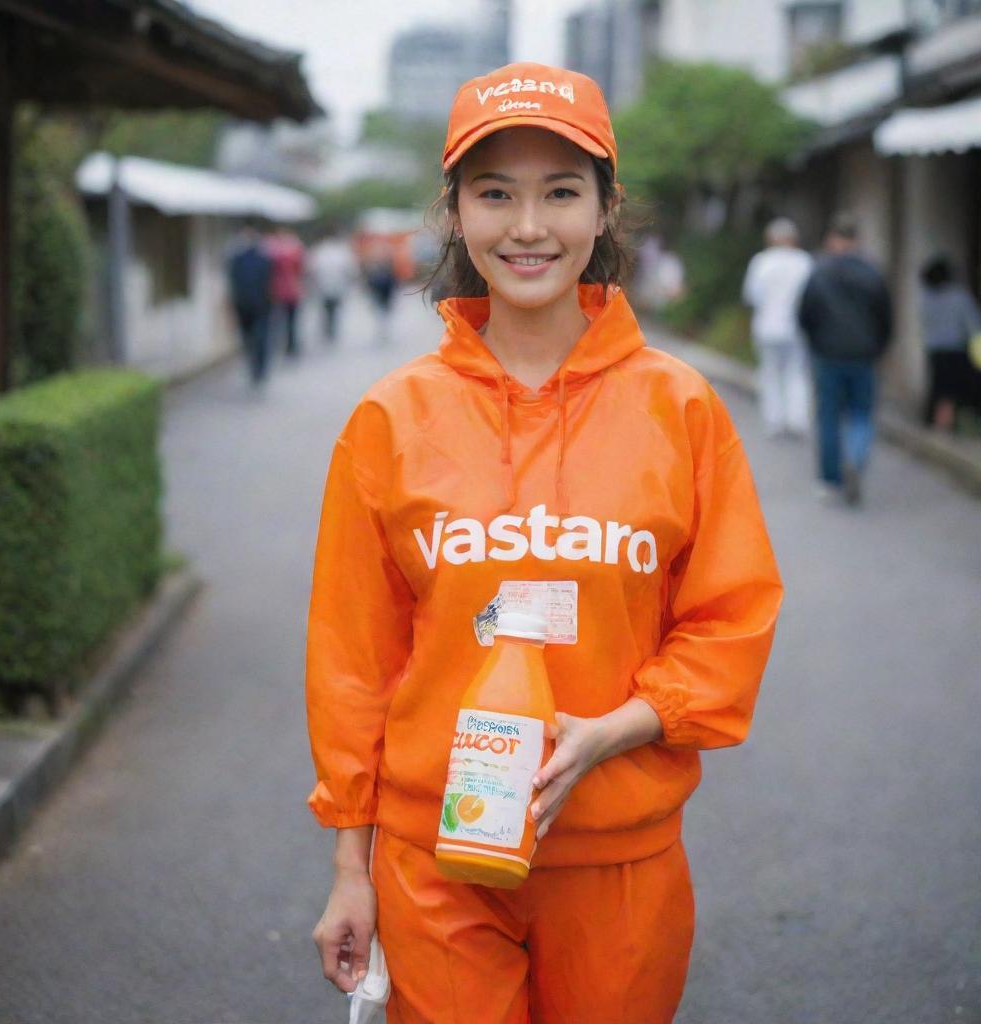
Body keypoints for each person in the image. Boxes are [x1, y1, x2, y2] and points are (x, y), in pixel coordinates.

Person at [306, 62, 784, 1024]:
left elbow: (728, 618)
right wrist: (350, 870)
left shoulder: (679, 406)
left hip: (619, 856)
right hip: (435, 860)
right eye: (496, 195)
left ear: (606, 210)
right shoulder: (390, 419)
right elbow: (353, 665)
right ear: (454, 213)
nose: (529, 228)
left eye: (561, 193)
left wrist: (621, 727)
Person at [798, 212, 892, 506]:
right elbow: (886, 317)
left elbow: (805, 314)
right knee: (861, 413)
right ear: (857, 240)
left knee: (828, 417)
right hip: (863, 356)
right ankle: (855, 457)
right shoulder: (872, 273)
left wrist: (815, 344)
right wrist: (878, 348)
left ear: (832, 239)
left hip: (828, 355)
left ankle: (830, 479)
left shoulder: (819, 271)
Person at [742, 217, 814, 438]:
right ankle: (797, 419)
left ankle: (774, 421)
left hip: (767, 326)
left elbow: (751, 295)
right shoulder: (805, 262)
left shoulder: (761, 262)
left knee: (770, 373)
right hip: (796, 328)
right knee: (797, 372)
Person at [918, 254, 981, 429]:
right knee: (952, 390)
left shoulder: (926, 297)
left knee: (938, 388)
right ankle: (946, 424)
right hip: (955, 349)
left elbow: (924, 321)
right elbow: (973, 324)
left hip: (934, 349)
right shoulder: (959, 297)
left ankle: (938, 423)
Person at [225, 222, 273, 389]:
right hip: (256, 304)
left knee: (253, 337)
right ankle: (257, 367)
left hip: (249, 304)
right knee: (258, 337)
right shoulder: (261, 259)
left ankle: (256, 367)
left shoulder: (239, 259)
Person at [309, 231, 358, 343]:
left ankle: (328, 328)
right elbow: (350, 269)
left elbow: (311, 270)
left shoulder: (319, 251)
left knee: (326, 309)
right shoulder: (342, 251)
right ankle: (332, 329)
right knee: (335, 309)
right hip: (337, 286)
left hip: (323, 286)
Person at [266, 226, 306, 359]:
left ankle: (281, 344)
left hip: (277, 290)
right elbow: (301, 269)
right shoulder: (295, 249)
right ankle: (290, 344)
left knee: (279, 319)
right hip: (291, 289)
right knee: (290, 320)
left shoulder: (271, 249)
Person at [362, 236, 399, 344]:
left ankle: (383, 329)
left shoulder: (384, 256)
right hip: (378, 287)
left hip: (384, 287)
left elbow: (393, 273)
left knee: (383, 309)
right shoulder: (374, 257)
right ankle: (382, 328)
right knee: (380, 309)